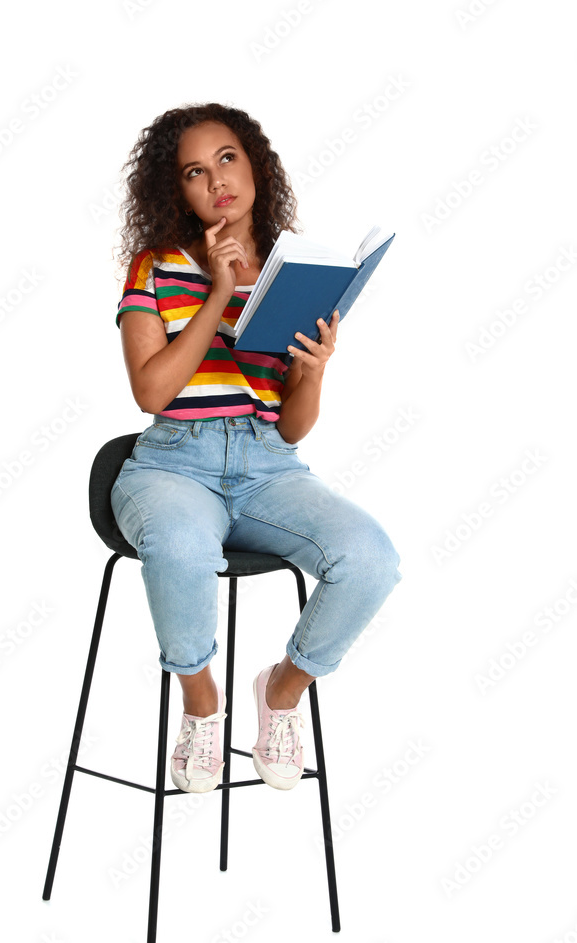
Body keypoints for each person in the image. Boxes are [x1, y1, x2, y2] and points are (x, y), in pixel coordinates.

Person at [111, 102, 402, 795]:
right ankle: (200, 701)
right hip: (171, 466)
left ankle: (281, 688)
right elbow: (151, 392)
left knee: (369, 559)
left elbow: (294, 427)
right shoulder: (153, 266)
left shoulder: (291, 272)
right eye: (193, 171)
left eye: (227, 159)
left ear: (254, 167)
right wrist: (217, 291)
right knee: (181, 548)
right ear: (174, 190)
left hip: (267, 465)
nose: (216, 180)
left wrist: (314, 367)